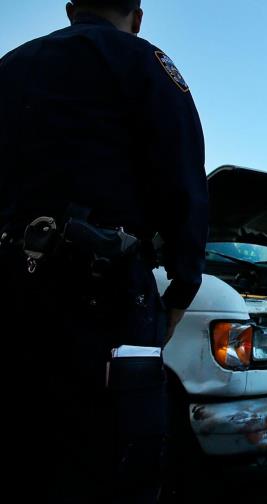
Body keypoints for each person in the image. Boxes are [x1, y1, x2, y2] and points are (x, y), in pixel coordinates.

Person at [0, 0, 208, 501]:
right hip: (107, 296)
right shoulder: (144, 61)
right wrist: (182, 284)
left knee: (24, 449)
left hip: (12, 290)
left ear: (71, 11)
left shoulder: (11, 65)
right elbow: (184, 180)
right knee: (119, 457)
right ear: (138, 16)